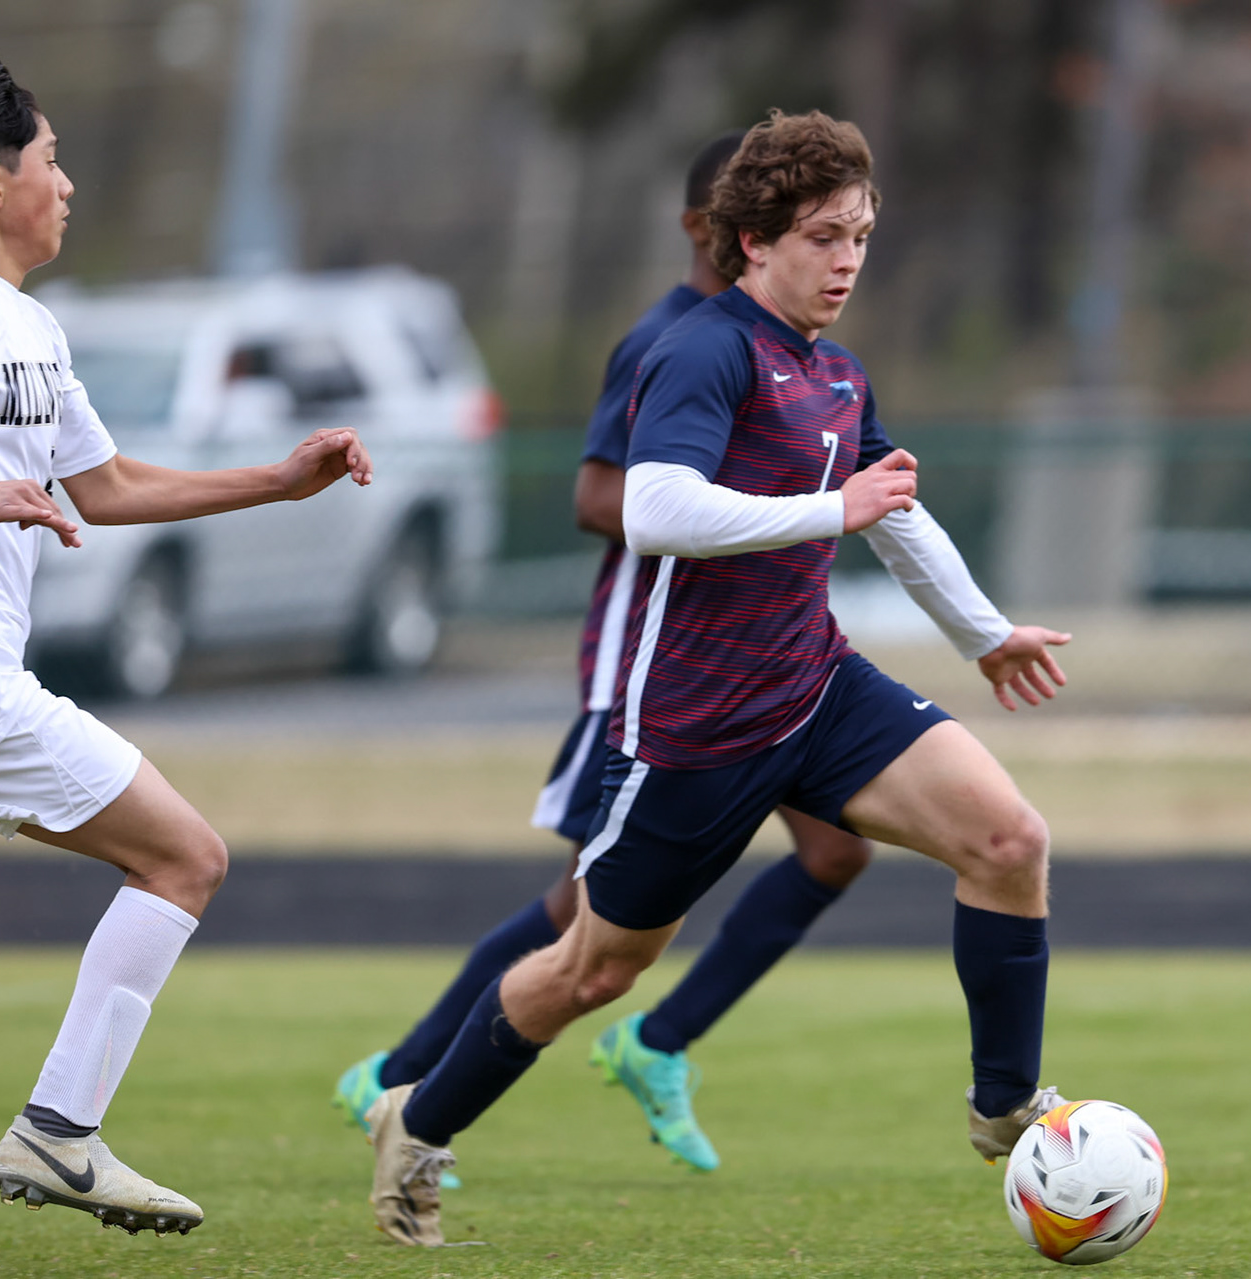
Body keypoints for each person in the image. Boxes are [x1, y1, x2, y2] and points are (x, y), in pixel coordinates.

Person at [358, 107, 1073, 1249]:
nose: (847, 260)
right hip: (693, 727)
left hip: (816, 684)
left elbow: (894, 508)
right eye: (824, 236)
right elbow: (652, 507)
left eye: (861, 237)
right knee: (595, 970)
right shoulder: (704, 347)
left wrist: (983, 634)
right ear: (753, 242)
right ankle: (419, 1120)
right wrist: (829, 511)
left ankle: (1006, 1113)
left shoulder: (834, 370)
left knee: (1008, 841)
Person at [331, 129, 874, 1176]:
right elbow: (598, 496)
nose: (831, 249)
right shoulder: (674, 339)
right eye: (803, 224)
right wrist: (780, 508)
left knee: (836, 848)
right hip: (651, 668)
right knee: (585, 913)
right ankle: (397, 1074)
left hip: (767, 670)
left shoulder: (798, 353)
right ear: (714, 228)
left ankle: (657, 1042)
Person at [0, 52, 373, 1236]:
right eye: (52, 162)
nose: (67, 185)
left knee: (178, 856)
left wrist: (275, 481)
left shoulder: (29, 327)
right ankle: (60, 1131)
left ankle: (61, 1130)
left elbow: (106, 486)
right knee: (184, 855)